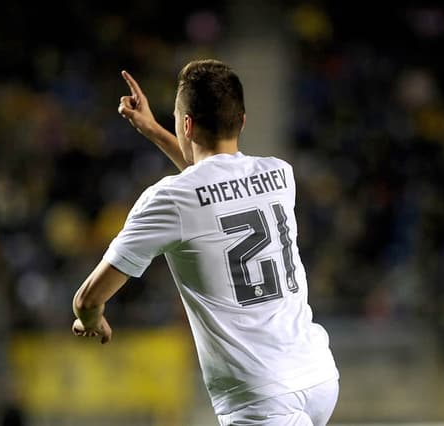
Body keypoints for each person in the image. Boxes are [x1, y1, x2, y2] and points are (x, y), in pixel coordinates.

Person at [71, 59, 339, 425]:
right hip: (318, 375)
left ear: (186, 124)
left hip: (260, 395)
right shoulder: (280, 175)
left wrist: (90, 317)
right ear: (241, 121)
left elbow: (89, 297)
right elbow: (213, 183)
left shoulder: (169, 200)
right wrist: (152, 130)